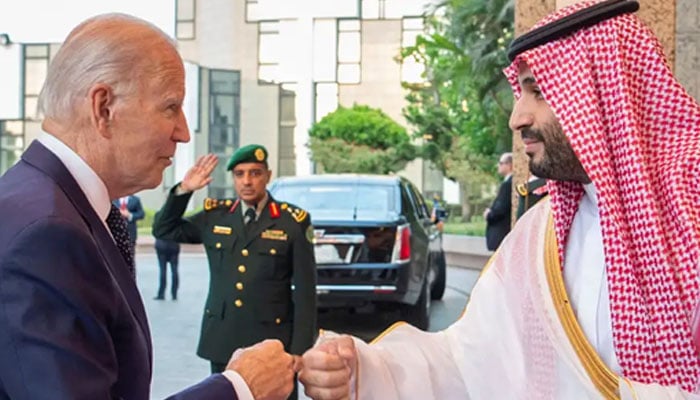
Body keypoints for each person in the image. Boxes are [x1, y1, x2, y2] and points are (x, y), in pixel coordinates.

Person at [297, 0, 700, 398]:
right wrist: (363, 371)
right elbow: (470, 361)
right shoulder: (541, 232)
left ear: (606, 90)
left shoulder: (692, 215)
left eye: (538, 91)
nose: (517, 117)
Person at [0, 13, 298, 400]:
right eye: (170, 107)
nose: (183, 132)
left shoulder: (46, 202)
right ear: (104, 108)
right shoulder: (47, 233)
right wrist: (240, 388)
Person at [152, 144, 317, 399]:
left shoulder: (291, 221)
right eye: (240, 174)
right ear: (233, 178)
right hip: (224, 337)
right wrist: (184, 190)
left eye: (255, 173)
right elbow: (164, 229)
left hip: (273, 341)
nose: (247, 181)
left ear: (268, 176)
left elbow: (306, 290)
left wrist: (300, 348)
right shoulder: (215, 216)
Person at [483, 152, 513, 251]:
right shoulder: (508, 182)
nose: (498, 166)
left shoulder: (508, 184)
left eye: (501, 163)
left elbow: (501, 209)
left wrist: (489, 214)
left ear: (509, 165)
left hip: (501, 234)